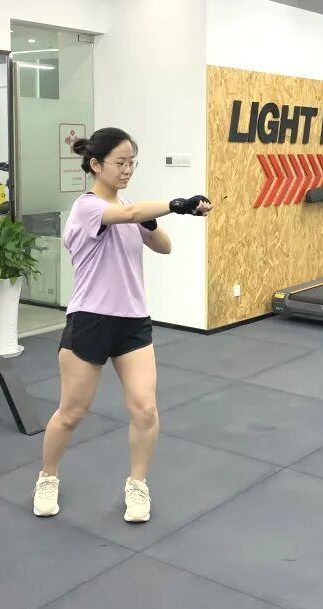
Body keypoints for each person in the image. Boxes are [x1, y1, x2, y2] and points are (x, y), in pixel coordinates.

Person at [32, 127, 212, 523]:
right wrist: (177, 204)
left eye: (132, 162)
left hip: (132, 322)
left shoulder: (131, 208)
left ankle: (137, 485)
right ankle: (48, 476)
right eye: (120, 162)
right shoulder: (87, 208)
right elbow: (126, 215)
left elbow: (164, 246)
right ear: (96, 165)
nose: (128, 169)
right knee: (71, 412)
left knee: (145, 409)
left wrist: (152, 220)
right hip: (91, 319)